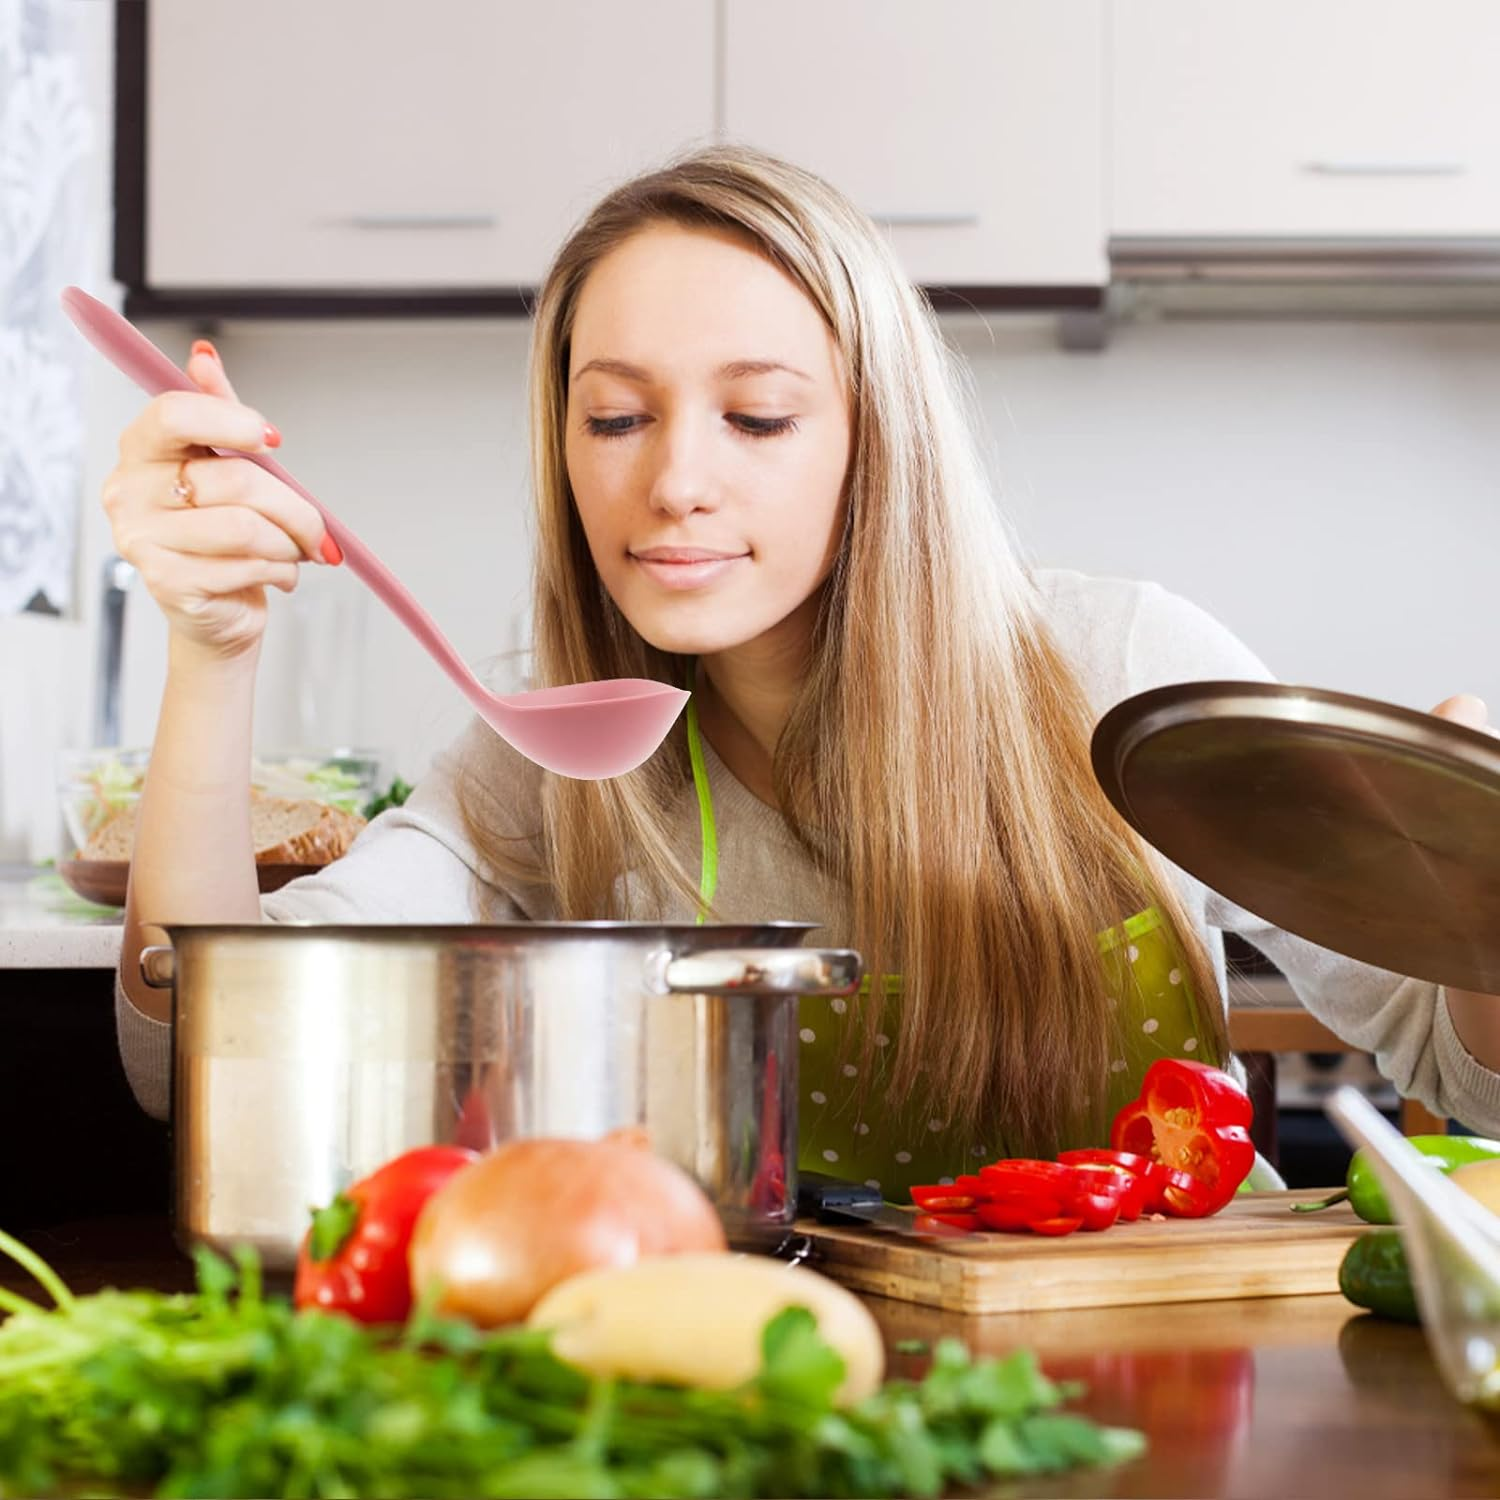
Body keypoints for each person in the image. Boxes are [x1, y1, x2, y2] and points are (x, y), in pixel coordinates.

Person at [105, 145, 1500, 1190]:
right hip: (785, 1393)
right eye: (615, 416)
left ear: (871, 440)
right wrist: (211, 653)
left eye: (758, 417)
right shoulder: (552, 769)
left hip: (1168, 1389)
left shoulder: (1117, 672)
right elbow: (204, 1055)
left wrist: (1479, 897)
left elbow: (1465, 1076)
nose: (676, 481)